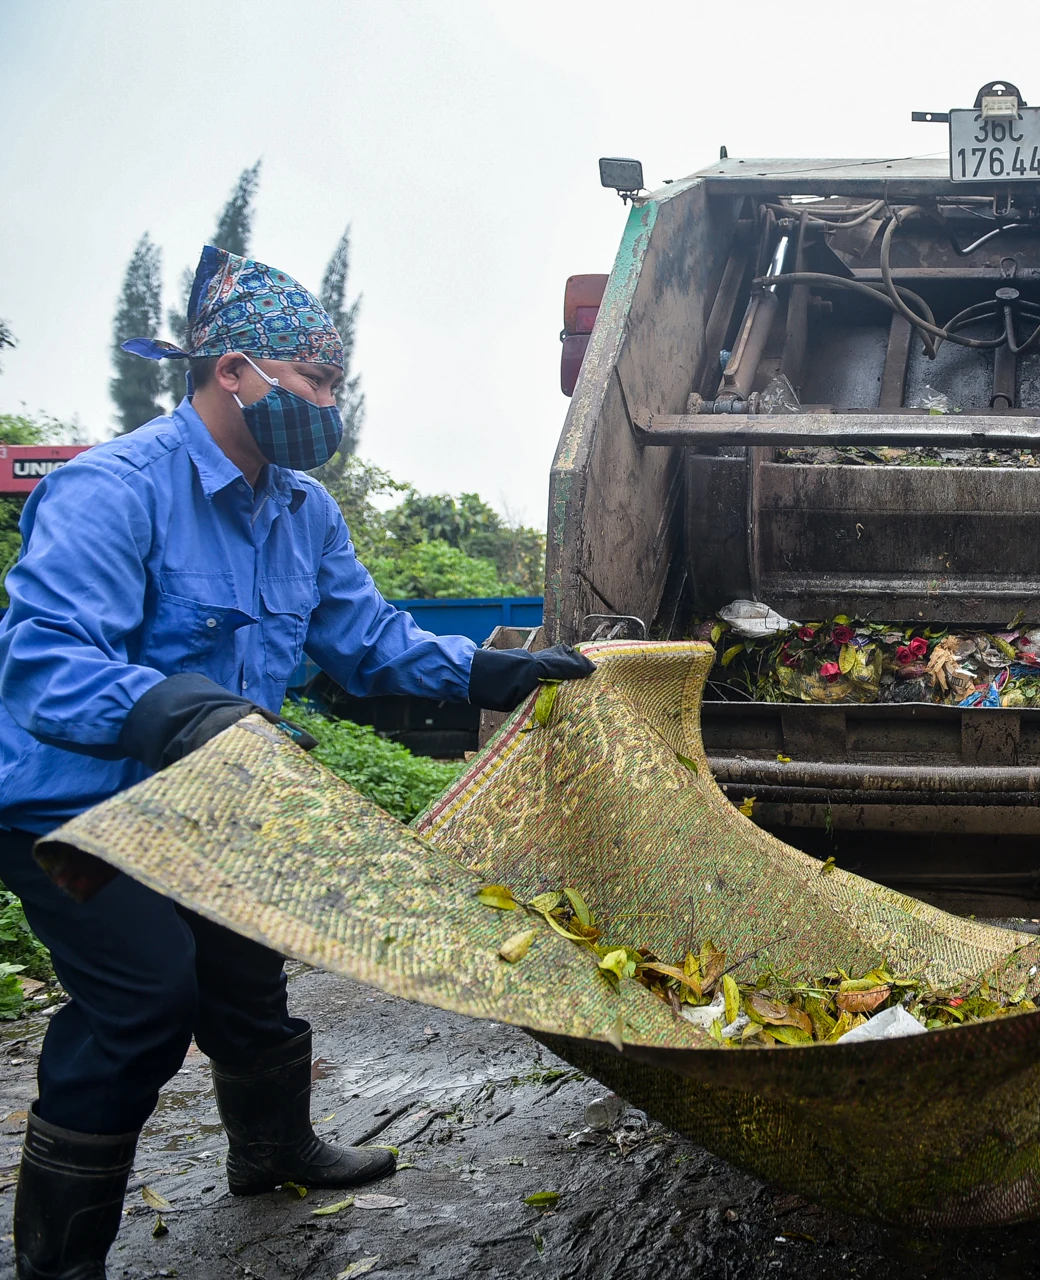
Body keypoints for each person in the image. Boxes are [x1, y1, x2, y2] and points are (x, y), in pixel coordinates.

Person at [0, 246, 595, 1279]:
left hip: (212, 795)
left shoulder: (302, 509)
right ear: (234, 371)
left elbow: (366, 639)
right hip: (75, 806)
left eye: (335, 384)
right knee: (144, 1003)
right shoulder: (113, 490)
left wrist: (491, 671)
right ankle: (59, 1261)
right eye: (316, 381)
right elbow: (45, 666)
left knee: (246, 969)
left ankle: (272, 1150)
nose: (330, 404)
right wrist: (173, 710)